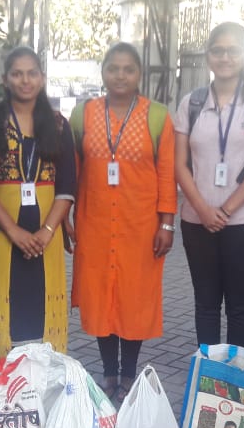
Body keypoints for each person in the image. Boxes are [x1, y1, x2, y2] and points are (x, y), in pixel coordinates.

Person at [68, 42, 177, 403]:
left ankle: (128, 374)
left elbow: (167, 174)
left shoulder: (157, 116)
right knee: (101, 298)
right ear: (103, 72)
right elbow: (71, 170)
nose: (120, 75)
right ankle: (108, 373)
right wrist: (66, 216)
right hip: (95, 224)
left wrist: (167, 224)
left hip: (140, 227)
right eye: (113, 68)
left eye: (128, 69)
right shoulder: (84, 114)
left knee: (133, 299)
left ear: (139, 74)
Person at [174, 22, 244, 349]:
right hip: (197, 220)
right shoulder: (191, 103)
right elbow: (179, 164)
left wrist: (225, 210)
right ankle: (209, 371)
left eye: (233, 50)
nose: (225, 57)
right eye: (218, 50)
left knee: (239, 305)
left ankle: (235, 372)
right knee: (205, 304)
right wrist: (204, 210)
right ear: (208, 55)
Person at [0, 47, 77, 372]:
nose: (25, 80)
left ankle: (41, 382)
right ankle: (2, 386)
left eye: (32, 73)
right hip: (1, 235)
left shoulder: (58, 125)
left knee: (40, 312)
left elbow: (67, 186)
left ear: (42, 78)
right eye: (17, 73)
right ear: (5, 79)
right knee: (6, 312)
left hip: (46, 238)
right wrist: (14, 231)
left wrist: (47, 232)